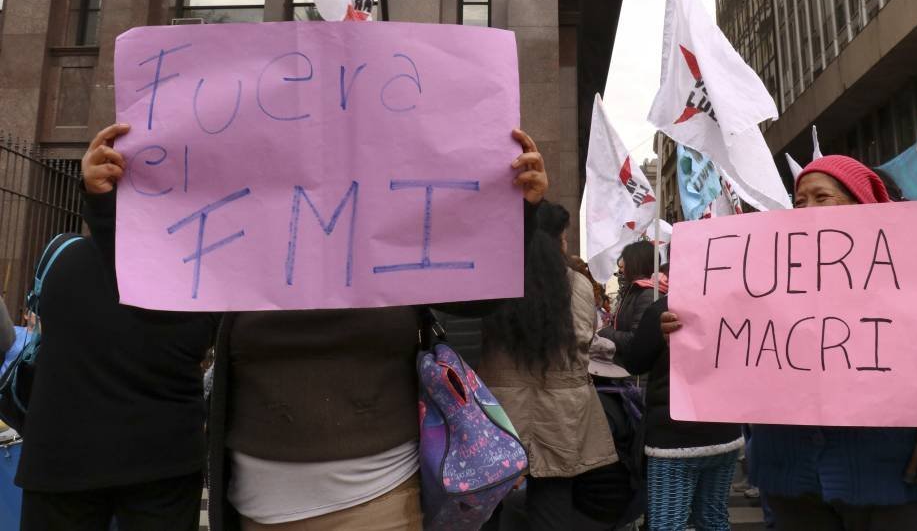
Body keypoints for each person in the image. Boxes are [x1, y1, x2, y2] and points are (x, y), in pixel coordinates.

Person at [208, 129, 549, 531]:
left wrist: (516, 211)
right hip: (257, 508)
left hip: (381, 500)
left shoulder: (396, 230)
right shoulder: (238, 237)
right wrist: (117, 216)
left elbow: (481, 297)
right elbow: (161, 318)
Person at [660, 155, 917, 531]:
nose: (807, 209)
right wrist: (691, 331)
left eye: (822, 197)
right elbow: (738, 359)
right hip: (791, 478)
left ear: (863, 204)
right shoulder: (767, 278)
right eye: (800, 201)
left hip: (893, 482)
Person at [17, 123, 219, 531]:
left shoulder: (62, 259)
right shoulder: (201, 278)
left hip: (65, 459)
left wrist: (99, 204)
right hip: (158, 460)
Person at [478, 200, 617, 530]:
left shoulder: (492, 278)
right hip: (562, 416)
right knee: (552, 507)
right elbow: (583, 340)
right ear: (558, 239)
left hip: (498, 413)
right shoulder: (578, 285)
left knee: (485, 507)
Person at [623, 287, 743, 530]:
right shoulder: (737, 306)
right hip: (725, 433)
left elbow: (634, 362)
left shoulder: (663, 311)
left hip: (674, 441)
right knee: (714, 520)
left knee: (668, 523)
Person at [598, 240, 657, 365]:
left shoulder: (647, 294)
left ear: (635, 264)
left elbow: (636, 340)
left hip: (637, 375)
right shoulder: (633, 291)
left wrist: (604, 332)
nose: (621, 270)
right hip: (624, 366)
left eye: (624, 264)